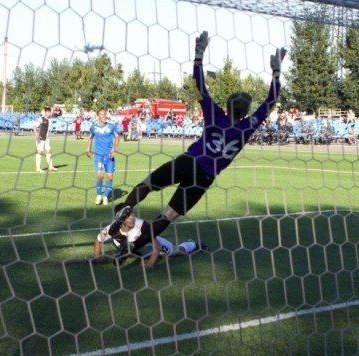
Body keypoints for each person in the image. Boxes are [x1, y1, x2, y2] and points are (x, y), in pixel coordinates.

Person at [107, 31, 285, 253]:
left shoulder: (214, 113)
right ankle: (133, 246)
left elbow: (198, 85)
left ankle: (124, 208)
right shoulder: (247, 126)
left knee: (147, 185)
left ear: (227, 105)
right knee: (168, 214)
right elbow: (270, 102)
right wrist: (276, 73)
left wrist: (199, 55)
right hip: (204, 177)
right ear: (245, 112)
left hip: (188, 161)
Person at [91, 209, 206, 269]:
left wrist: (150, 263)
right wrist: (96, 257)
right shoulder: (112, 229)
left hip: (151, 245)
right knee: (126, 247)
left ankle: (194, 244)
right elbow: (98, 240)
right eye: (128, 216)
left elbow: (157, 247)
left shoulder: (142, 226)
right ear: (119, 220)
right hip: (131, 247)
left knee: (176, 251)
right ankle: (128, 252)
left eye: (133, 214)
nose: (132, 218)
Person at [86, 107, 122, 205]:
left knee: (109, 177)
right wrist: (88, 149)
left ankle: (105, 196)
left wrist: (114, 149)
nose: (104, 116)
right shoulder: (93, 127)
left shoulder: (111, 126)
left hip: (109, 156)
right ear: (98, 116)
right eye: (102, 114)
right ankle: (99, 195)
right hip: (98, 155)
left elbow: (117, 137)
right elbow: (90, 138)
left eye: (105, 114)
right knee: (99, 176)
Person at [33, 106, 57, 172]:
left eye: (50, 112)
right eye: (48, 112)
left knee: (48, 151)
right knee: (39, 152)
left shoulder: (50, 119)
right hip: (40, 138)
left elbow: (55, 112)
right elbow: (34, 127)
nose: (49, 113)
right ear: (45, 112)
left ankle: (50, 167)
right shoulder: (41, 119)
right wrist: (37, 135)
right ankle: (38, 168)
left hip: (46, 139)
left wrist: (53, 107)